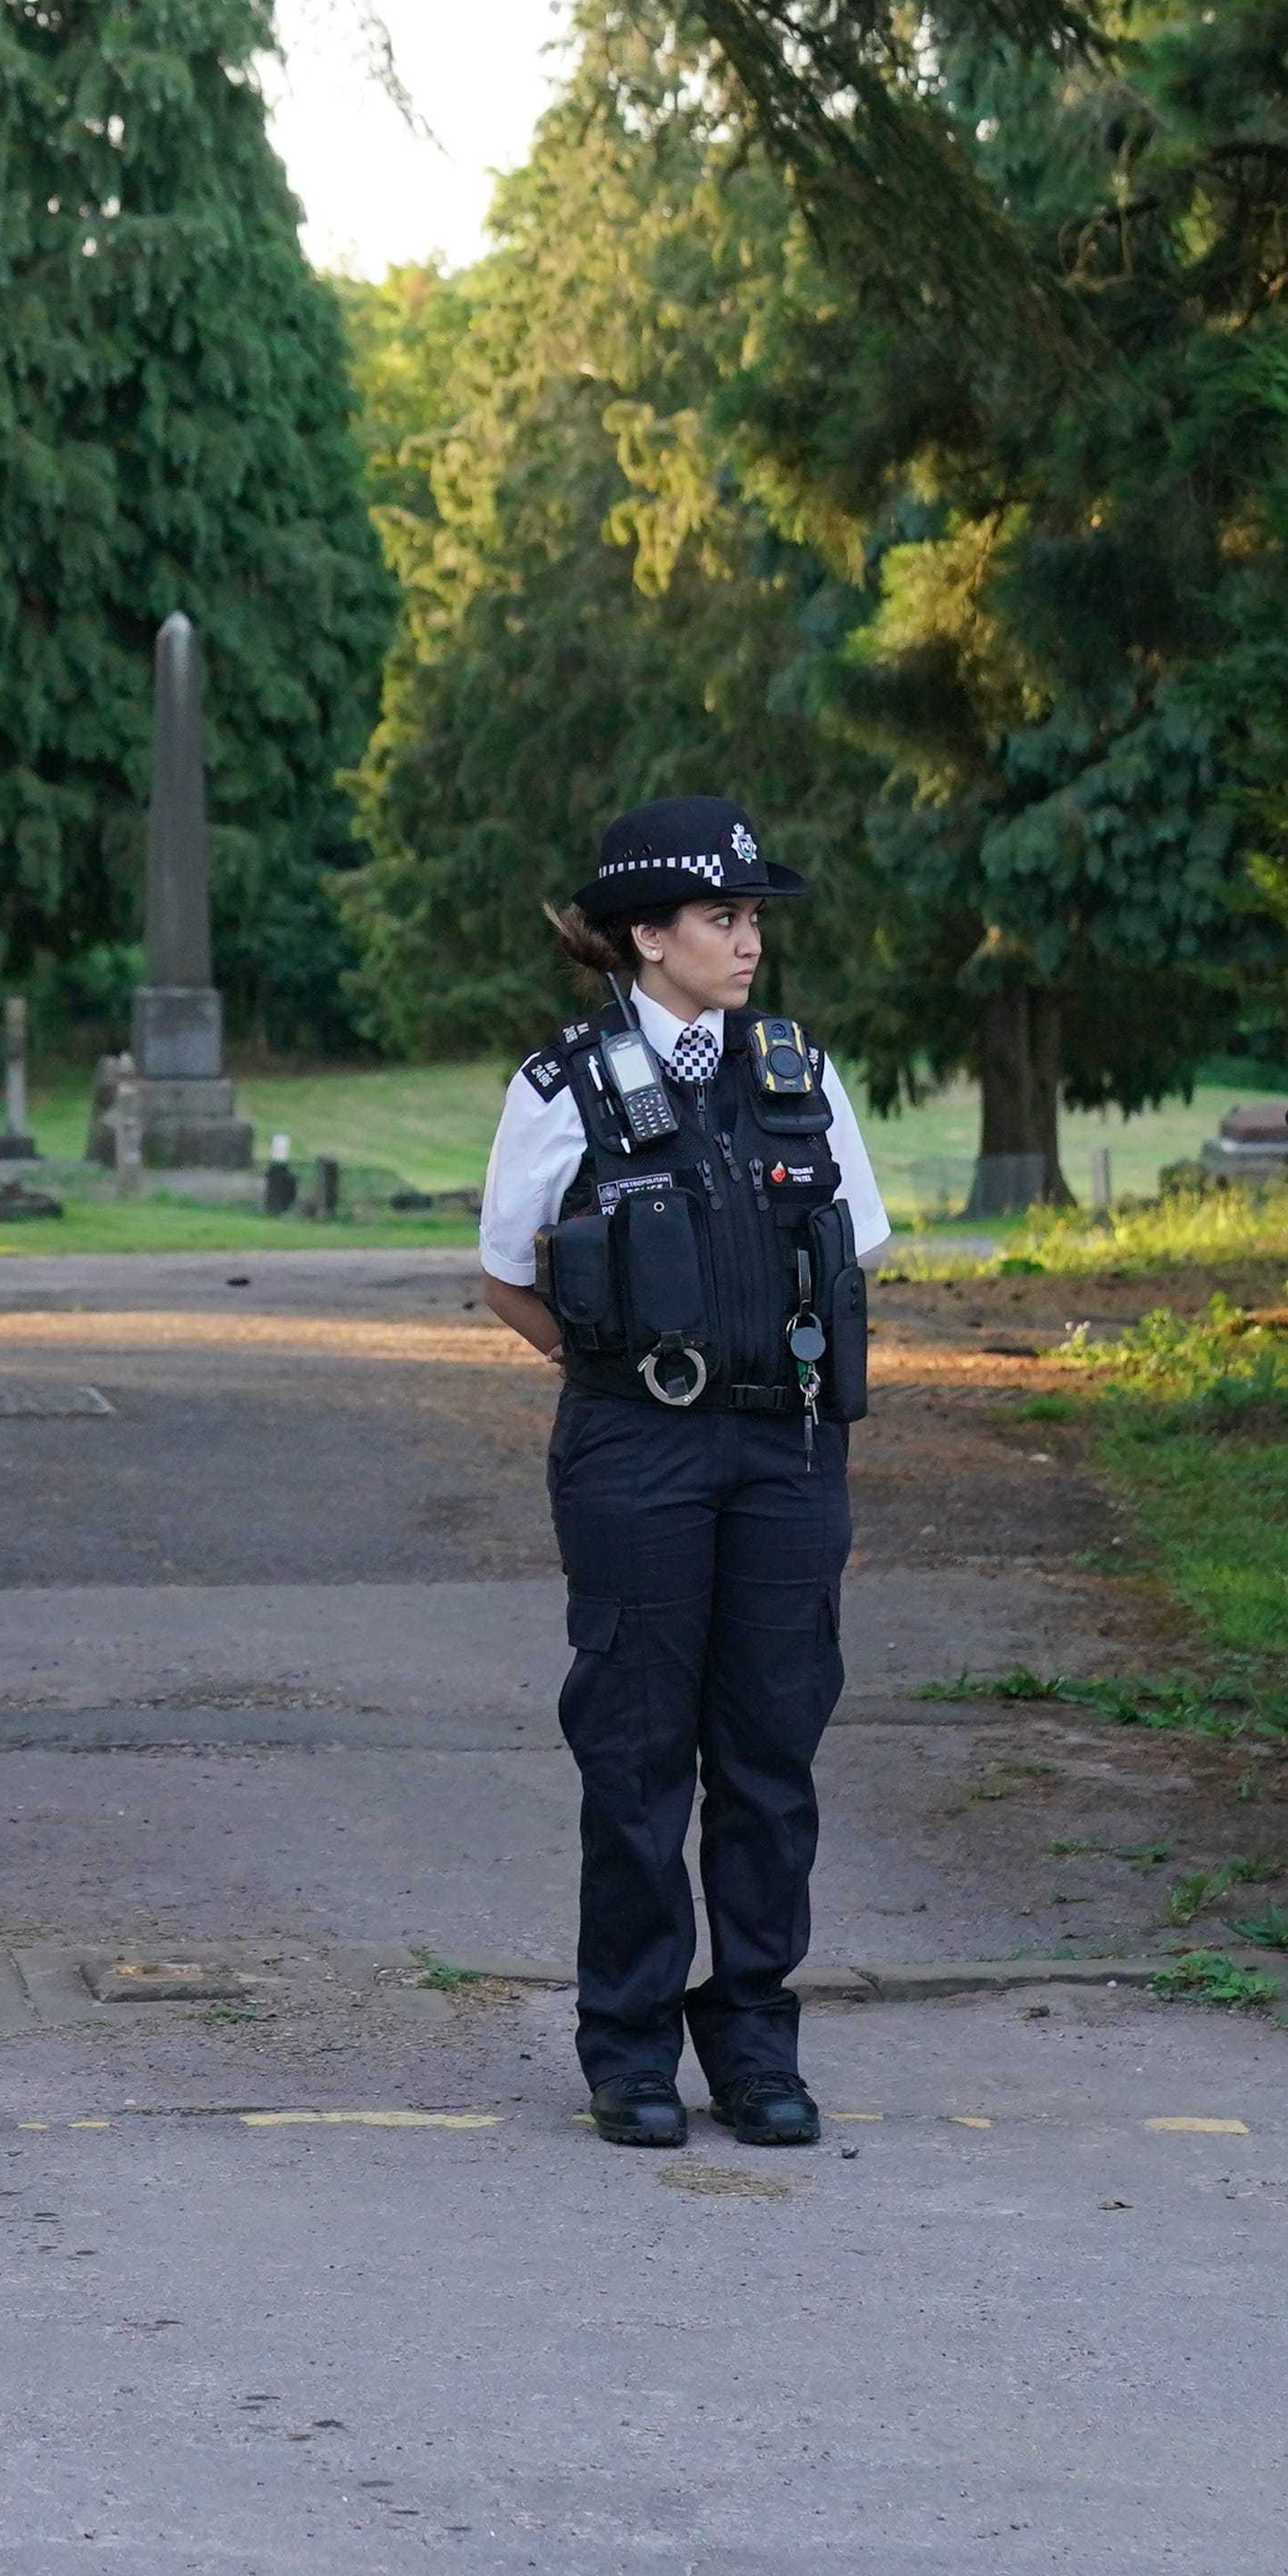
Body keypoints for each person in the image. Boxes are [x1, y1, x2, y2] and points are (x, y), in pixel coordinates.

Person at [473, 795, 887, 2150]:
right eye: (723, 915)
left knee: (772, 1750)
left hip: (786, 1447)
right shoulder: (563, 1085)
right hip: (637, 1445)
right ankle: (631, 2049)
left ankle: (757, 2043)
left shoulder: (798, 1073)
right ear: (647, 936)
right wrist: (629, 1379)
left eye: (754, 914)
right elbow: (509, 1279)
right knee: (639, 1754)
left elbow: (856, 1247)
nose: (748, 938)